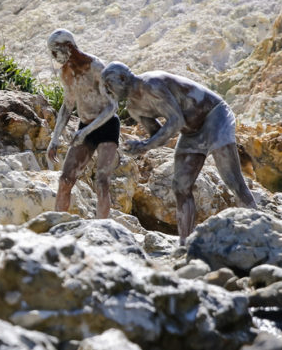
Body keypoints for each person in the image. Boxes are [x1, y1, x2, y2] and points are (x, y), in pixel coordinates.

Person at [100, 61, 256, 245]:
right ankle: (185, 243)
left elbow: (175, 120)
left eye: (110, 86)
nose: (109, 92)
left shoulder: (152, 83)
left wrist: (146, 145)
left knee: (233, 180)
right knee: (180, 186)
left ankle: (257, 230)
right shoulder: (134, 108)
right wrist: (140, 146)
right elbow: (160, 136)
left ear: (123, 78)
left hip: (214, 115)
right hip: (191, 131)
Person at [46, 29, 119, 219]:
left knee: (102, 181)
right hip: (85, 128)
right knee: (65, 179)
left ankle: (101, 229)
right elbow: (67, 106)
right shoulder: (65, 73)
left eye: (55, 51)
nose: (54, 56)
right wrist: (54, 139)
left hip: (107, 126)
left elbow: (112, 106)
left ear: (68, 47)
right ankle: (57, 226)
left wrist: (87, 129)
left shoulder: (96, 67)